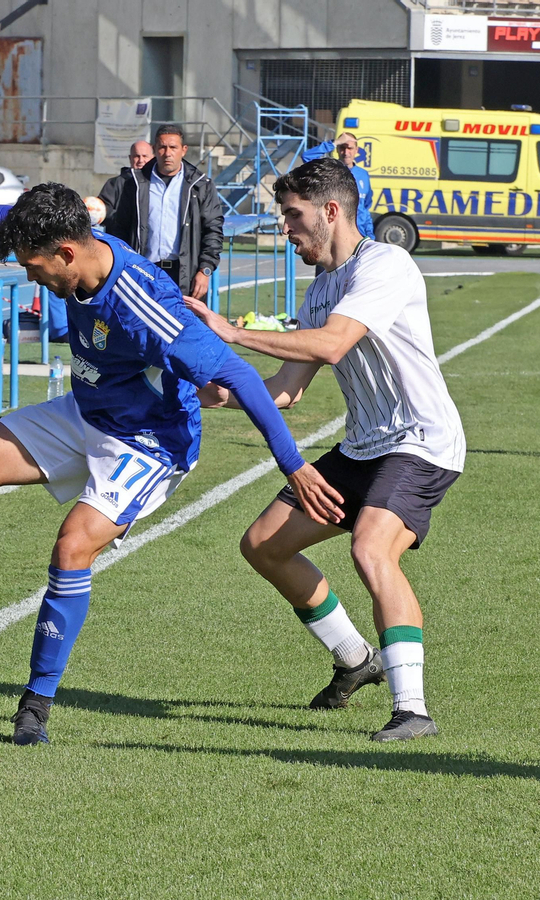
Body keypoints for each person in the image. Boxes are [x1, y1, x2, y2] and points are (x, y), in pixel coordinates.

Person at [0, 183, 339, 745]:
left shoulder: (145, 307)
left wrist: (293, 465)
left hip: (150, 440)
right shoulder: (66, 239)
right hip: (91, 409)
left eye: (34, 267)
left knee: (73, 545)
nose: (31, 278)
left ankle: (36, 704)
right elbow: (8, 216)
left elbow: (240, 376)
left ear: (67, 253)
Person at [183, 158, 465, 743]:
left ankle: (412, 708)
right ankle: (353, 656)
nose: (285, 228)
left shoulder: (385, 264)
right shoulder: (319, 292)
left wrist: (233, 334)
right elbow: (286, 390)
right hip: (364, 447)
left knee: (370, 548)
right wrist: (209, 393)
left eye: (293, 215)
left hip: (420, 442)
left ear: (331, 211)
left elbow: (336, 346)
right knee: (263, 545)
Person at [96, 124, 224, 302]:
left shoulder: (201, 185)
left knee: (184, 327)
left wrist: (205, 270)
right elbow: (120, 228)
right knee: (141, 327)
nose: (167, 153)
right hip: (143, 272)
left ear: (183, 150)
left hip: (184, 275)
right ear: (155, 149)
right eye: (162, 147)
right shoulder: (134, 184)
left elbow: (213, 230)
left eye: (173, 147)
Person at [300, 132, 374, 239]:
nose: (346, 152)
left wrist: (370, 235)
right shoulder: (330, 170)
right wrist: (334, 143)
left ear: (356, 150)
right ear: (337, 149)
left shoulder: (363, 175)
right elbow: (307, 157)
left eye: (350, 148)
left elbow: (365, 208)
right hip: (336, 236)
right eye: (342, 148)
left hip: (359, 234)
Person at [96, 140, 154, 212]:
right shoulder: (114, 183)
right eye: (136, 156)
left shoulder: (157, 183)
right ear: (130, 158)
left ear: (152, 158)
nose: (141, 160)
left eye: (145, 156)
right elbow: (103, 211)